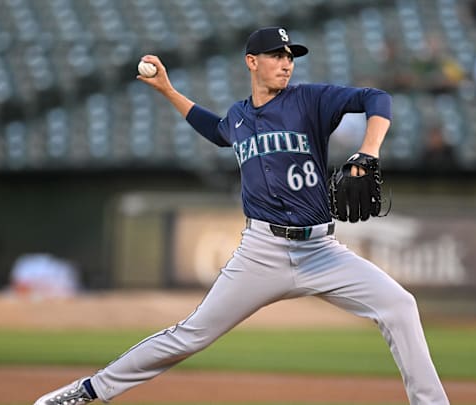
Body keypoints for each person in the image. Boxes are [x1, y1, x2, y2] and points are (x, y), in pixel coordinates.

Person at [34, 27, 449, 405]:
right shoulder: (238, 116)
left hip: (322, 250)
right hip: (262, 252)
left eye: (290, 56)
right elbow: (215, 129)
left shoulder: (309, 100)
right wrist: (167, 90)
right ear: (252, 61)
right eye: (276, 55)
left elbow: (377, 99)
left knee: (399, 304)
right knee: (191, 335)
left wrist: (368, 149)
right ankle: (89, 390)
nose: (286, 62)